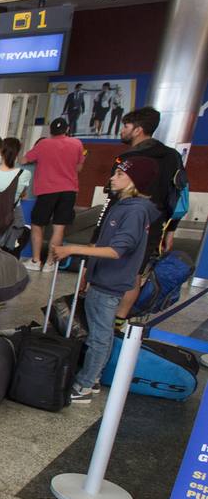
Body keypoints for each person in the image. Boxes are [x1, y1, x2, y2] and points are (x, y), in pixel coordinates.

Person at [51, 156, 159, 404]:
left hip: (111, 283)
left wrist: (73, 250)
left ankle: (85, 385)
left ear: (134, 182)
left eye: (120, 175)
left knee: (99, 337)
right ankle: (94, 376)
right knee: (100, 333)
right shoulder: (123, 206)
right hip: (103, 279)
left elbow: (117, 250)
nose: (112, 177)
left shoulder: (135, 212)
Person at [112, 106, 188, 323]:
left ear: (138, 130)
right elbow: (178, 193)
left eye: (125, 126)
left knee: (110, 266)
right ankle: (119, 320)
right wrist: (171, 230)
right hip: (155, 224)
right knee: (135, 272)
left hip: (122, 219)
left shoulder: (127, 158)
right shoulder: (173, 156)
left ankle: (100, 313)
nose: (122, 131)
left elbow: (113, 194)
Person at [23, 118, 84, 273]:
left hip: (47, 190)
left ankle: (36, 260)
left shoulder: (43, 144)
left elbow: (24, 159)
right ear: (67, 129)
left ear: (50, 131)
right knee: (59, 228)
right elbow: (79, 168)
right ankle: (50, 264)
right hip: (69, 191)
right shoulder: (77, 143)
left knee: (37, 224)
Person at [0, 137, 32, 252]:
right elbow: (23, 195)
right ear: (18, 152)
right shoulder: (24, 174)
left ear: (0, 151)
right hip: (11, 220)